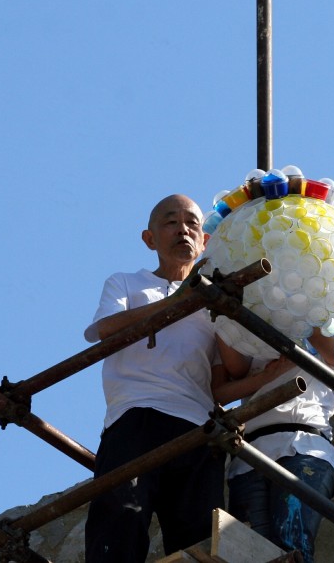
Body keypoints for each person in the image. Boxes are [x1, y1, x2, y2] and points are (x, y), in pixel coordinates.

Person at [83, 194, 226, 562]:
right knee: (120, 523)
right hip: (135, 416)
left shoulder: (216, 303)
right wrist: (178, 301)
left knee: (199, 540)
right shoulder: (127, 283)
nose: (184, 230)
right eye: (171, 222)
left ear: (205, 240)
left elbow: (225, 371)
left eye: (193, 223)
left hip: (198, 423)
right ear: (149, 239)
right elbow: (105, 329)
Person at [214, 330, 334, 563]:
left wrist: (294, 301)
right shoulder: (256, 342)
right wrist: (223, 318)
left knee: (291, 548)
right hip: (249, 457)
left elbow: (326, 346)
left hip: (302, 448)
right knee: (248, 556)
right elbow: (227, 379)